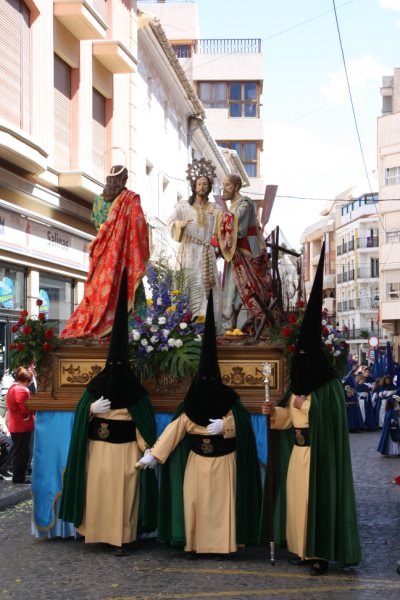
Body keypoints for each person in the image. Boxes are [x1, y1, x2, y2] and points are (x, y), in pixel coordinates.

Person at [262, 243, 361, 576]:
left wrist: (313, 404)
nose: (300, 362)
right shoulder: (297, 386)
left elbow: (331, 419)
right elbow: (288, 419)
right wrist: (272, 413)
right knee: (296, 505)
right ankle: (302, 550)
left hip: (319, 457)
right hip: (299, 455)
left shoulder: (329, 387)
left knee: (315, 503)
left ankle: (319, 553)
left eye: (305, 356)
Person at [138, 290, 261, 558]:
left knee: (220, 506)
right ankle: (195, 544)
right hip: (196, 462)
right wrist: (153, 456)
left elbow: (241, 425)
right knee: (195, 503)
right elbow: (175, 430)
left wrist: (227, 427)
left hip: (223, 462)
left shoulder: (229, 400)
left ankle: (221, 545)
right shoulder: (190, 405)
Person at [59, 271, 157, 554]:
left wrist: (147, 450)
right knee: (99, 494)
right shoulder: (95, 386)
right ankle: (97, 533)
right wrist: (90, 409)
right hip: (97, 450)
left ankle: (122, 539)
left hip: (126, 452)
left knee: (123, 497)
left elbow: (142, 426)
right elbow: (80, 418)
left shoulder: (135, 393)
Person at [60, 165, 149, 339]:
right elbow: (139, 226)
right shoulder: (131, 199)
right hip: (123, 257)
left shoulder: (99, 201)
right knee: (127, 289)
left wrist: (108, 232)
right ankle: (131, 335)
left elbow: (96, 222)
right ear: (124, 179)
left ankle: (96, 325)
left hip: (102, 254)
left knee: (98, 291)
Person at [166, 158, 221, 322]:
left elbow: (220, 231)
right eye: (199, 184)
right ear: (194, 187)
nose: (202, 187)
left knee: (207, 286)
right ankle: (186, 323)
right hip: (189, 252)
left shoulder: (215, 208)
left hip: (206, 252)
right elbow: (169, 222)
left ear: (209, 187)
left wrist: (218, 244)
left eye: (205, 184)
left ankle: (207, 322)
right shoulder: (183, 206)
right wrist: (179, 225)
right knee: (189, 284)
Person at [216, 174, 273, 332]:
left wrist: (216, 218)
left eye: (227, 185)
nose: (223, 189)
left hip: (246, 253)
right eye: (223, 185)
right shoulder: (233, 207)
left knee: (245, 291)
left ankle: (244, 328)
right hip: (234, 255)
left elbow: (237, 227)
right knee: (231, 291)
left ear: (235, 187)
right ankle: (231, 328)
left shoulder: (245, 203)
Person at [6, 367, 34, 484]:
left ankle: (19, 476)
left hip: (17, 425)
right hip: (21, 426)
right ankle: (19, 477)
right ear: (26, 380)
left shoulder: (14, 388)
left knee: (20, 452)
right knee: (22, 453)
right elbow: (25, 409)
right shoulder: (21, 390)